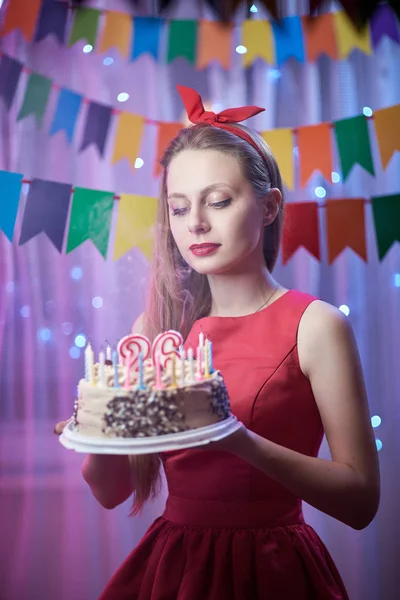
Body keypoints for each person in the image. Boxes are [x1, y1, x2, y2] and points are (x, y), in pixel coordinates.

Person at [55, 85, 380, 599]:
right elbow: (111, 493)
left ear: (270, 206)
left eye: (219, 201)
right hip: (174, 568)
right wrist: (97, 425)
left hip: (273, 568)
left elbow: (362, 503)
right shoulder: (157, 327)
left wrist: (234, 437)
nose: (196, 224)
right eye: (178, 208)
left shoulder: (315, 325)